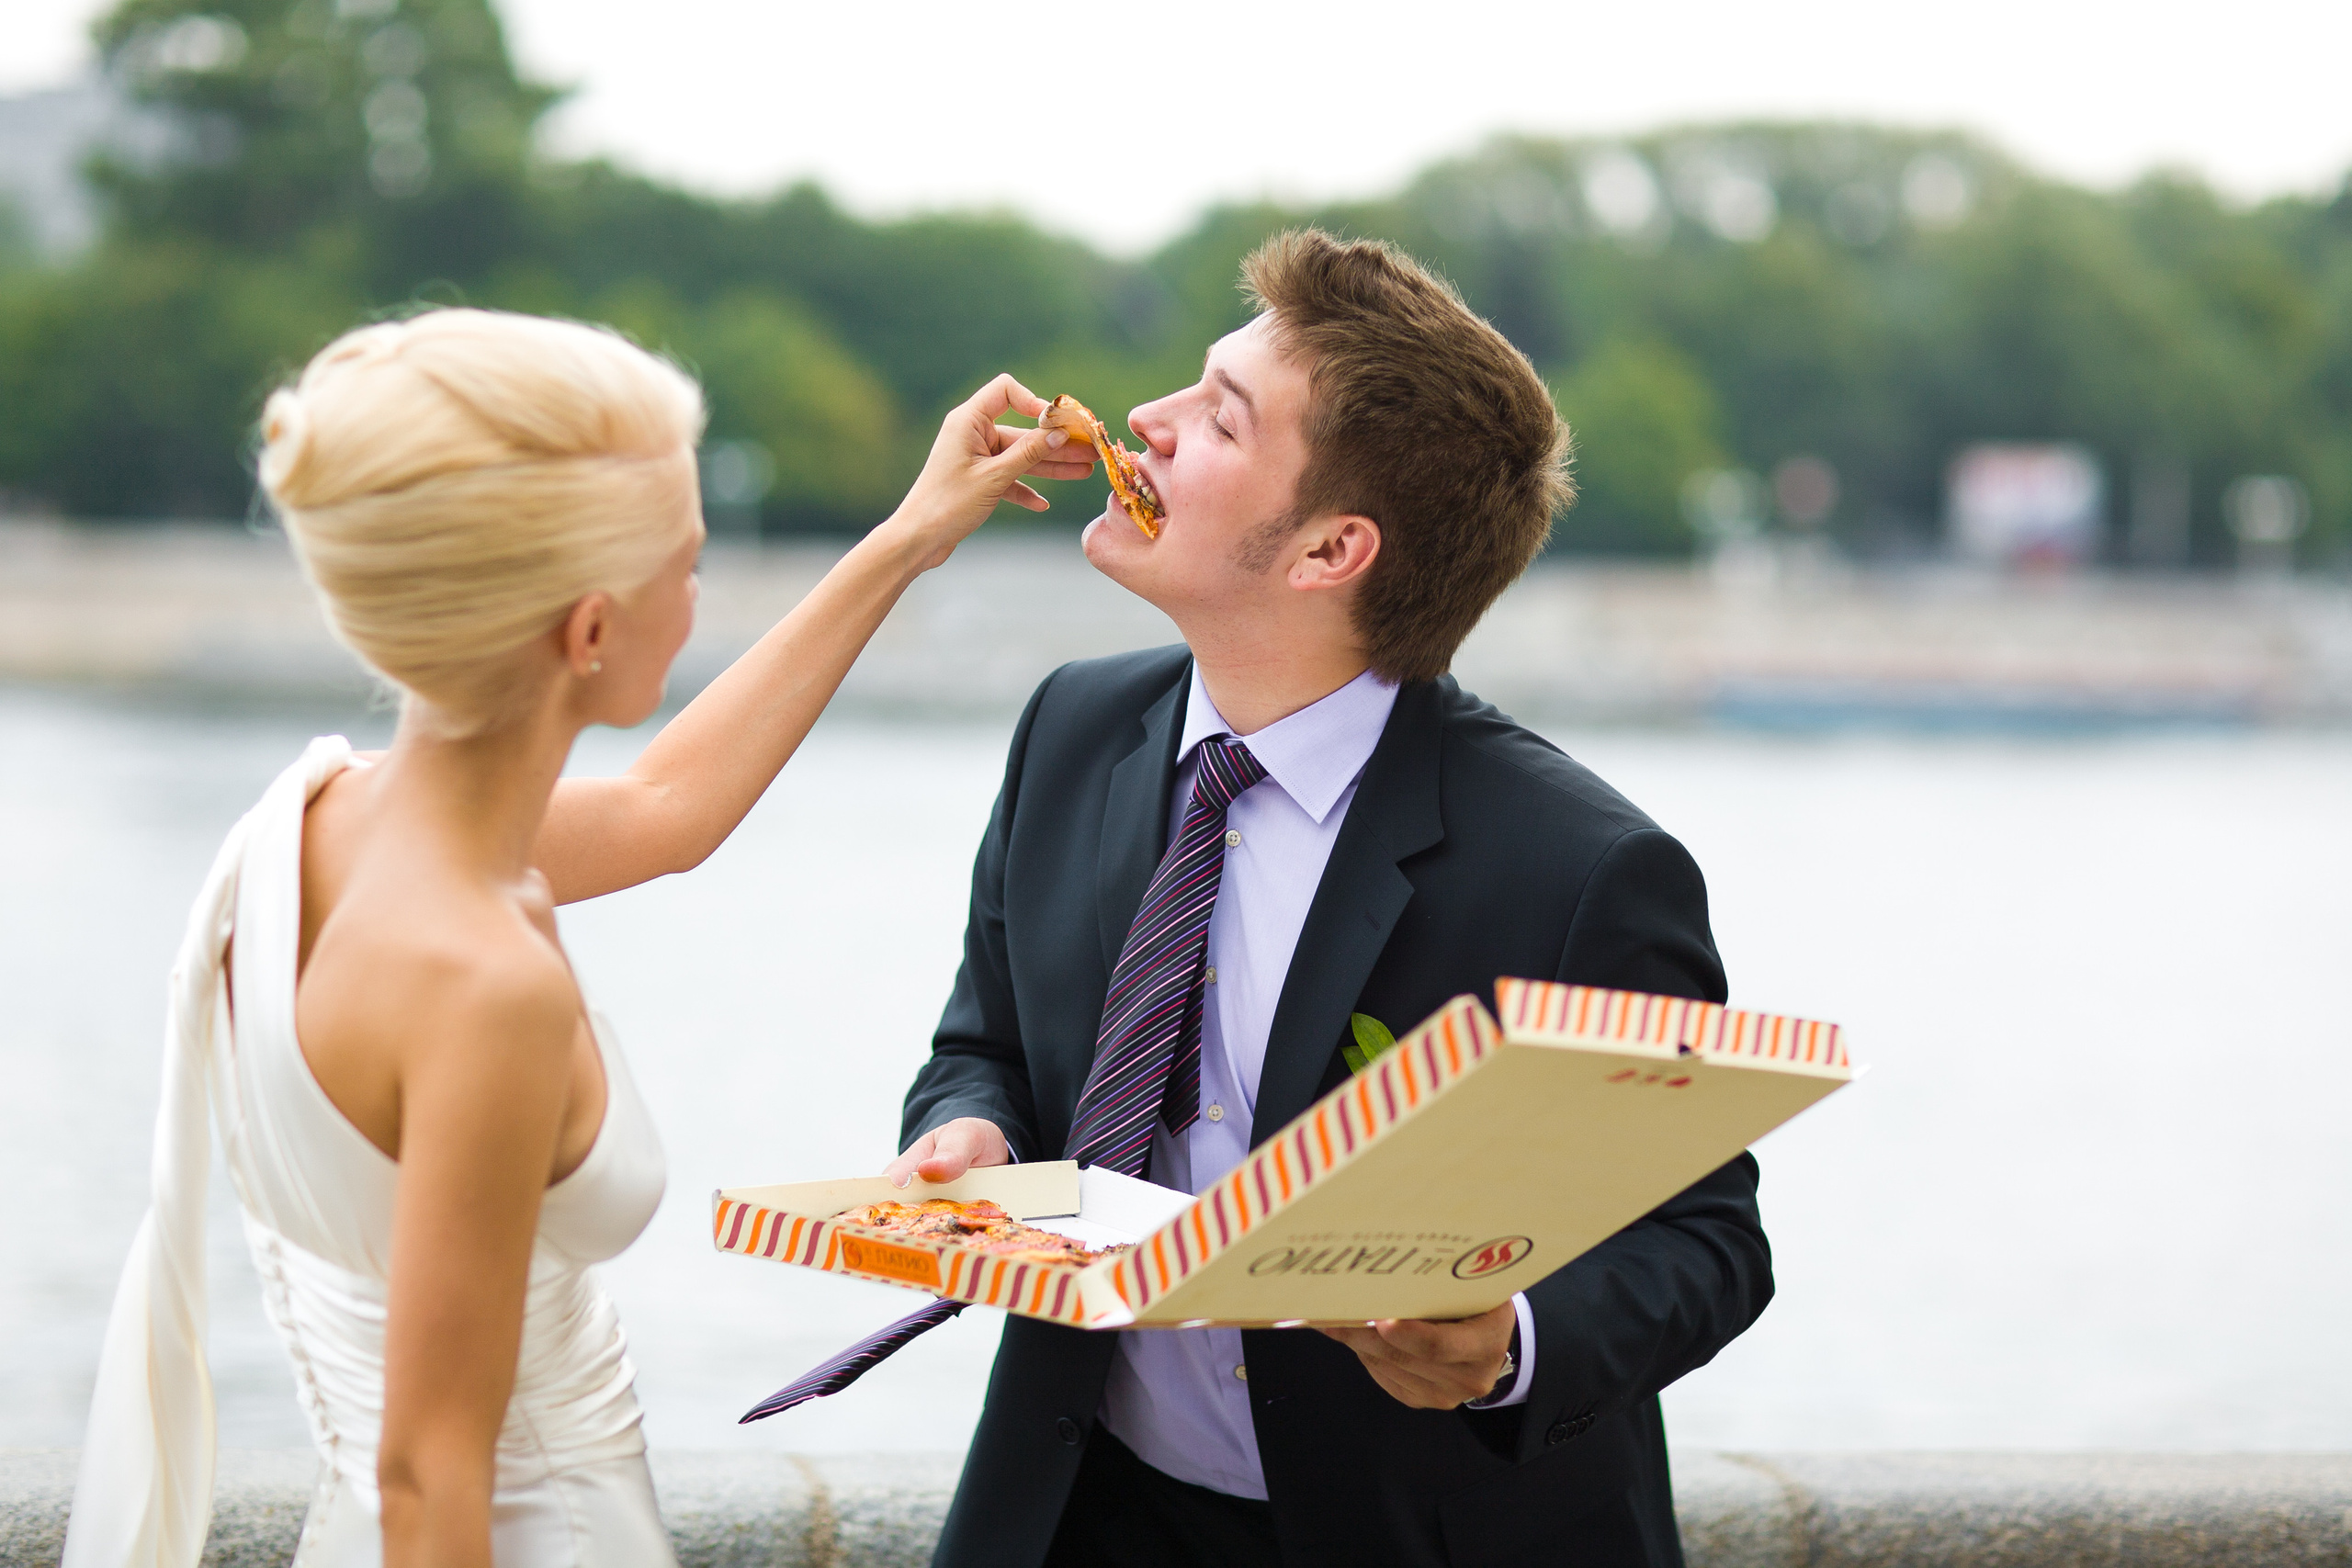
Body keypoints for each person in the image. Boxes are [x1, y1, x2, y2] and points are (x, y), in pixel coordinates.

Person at [62, 308, 1084, 1568]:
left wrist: (911, 535)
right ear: (591, 632)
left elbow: (669, 809)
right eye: (692, 562)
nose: (703, 590)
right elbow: (433, 1475)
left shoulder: (310, 826)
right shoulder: (483, 983)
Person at [883, 231, 1774, 1568]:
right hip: (1079, 1512)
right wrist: (969, 1136)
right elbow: (985, 1047)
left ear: (1330, 549)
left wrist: (1507, 1341)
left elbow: (1709, 1241)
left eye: (1219, 416)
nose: (1149, 423)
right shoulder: (1070, 730)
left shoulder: (1582, 869)